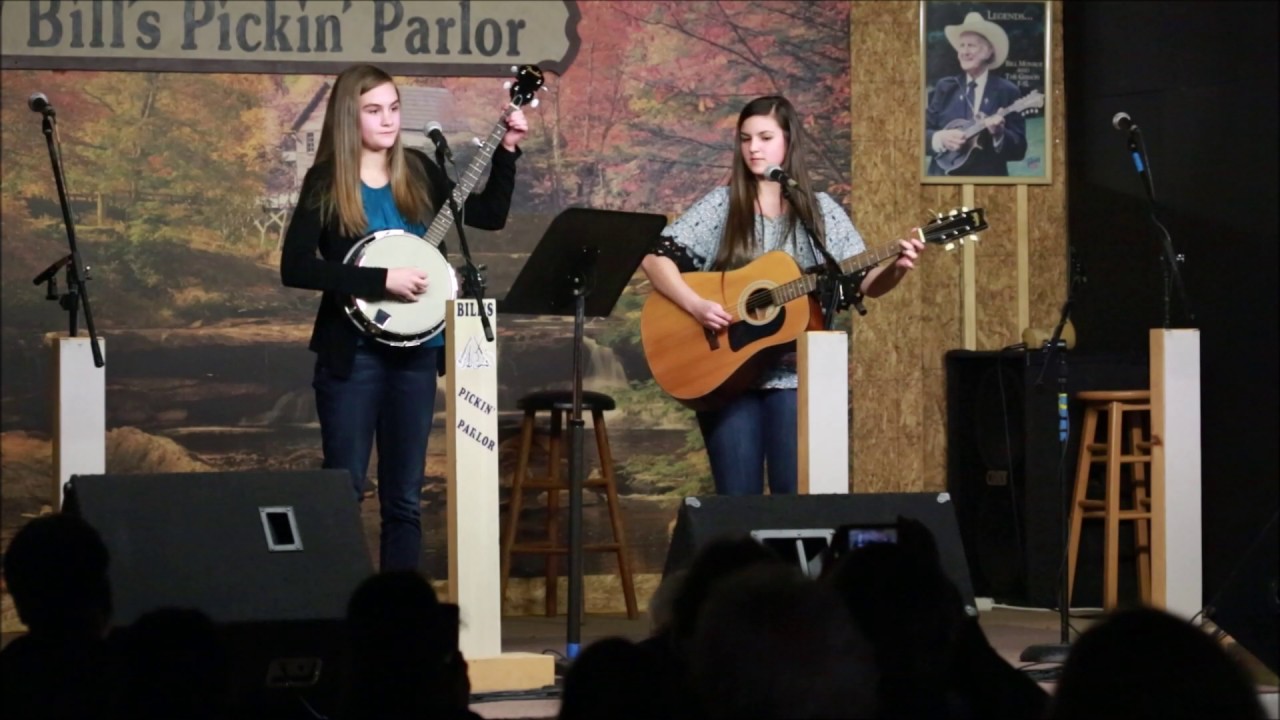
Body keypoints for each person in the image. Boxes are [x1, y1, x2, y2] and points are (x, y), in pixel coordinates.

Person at [281, 63, 527, 571]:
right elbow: (296, 266)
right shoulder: (327, 181)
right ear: (349, 118)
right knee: (344, 489)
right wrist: (379, 280)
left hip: (418, 354)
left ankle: (399, 621)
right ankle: (339, 615)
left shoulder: (418, 168)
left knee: (405, 500)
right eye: (374, 110)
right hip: (352, 357)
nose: (388, 120)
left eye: (394, 108)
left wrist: (505, 151)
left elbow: (488, 216)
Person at [640, 95, 924, 496]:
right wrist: (697, 306)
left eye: (765, 137)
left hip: (794, 378)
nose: (753, 147)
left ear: (789, 142)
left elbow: (863, 283)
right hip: (726, 375)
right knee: (739, 503)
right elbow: (656, 261)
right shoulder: (723, 205)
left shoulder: (819, 211)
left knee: (796, 503)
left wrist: (896, 267)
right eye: (745, 138)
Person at [925, 12, 1028, 176]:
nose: (964, 52)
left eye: (971, 45)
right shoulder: (945, 87)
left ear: (988, 52)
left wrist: (999, 134)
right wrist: (940, 138)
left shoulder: (1007, 91)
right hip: (943, 181)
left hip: (988, 185)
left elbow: (1019, 150)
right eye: (962, 45)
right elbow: (919, 134)